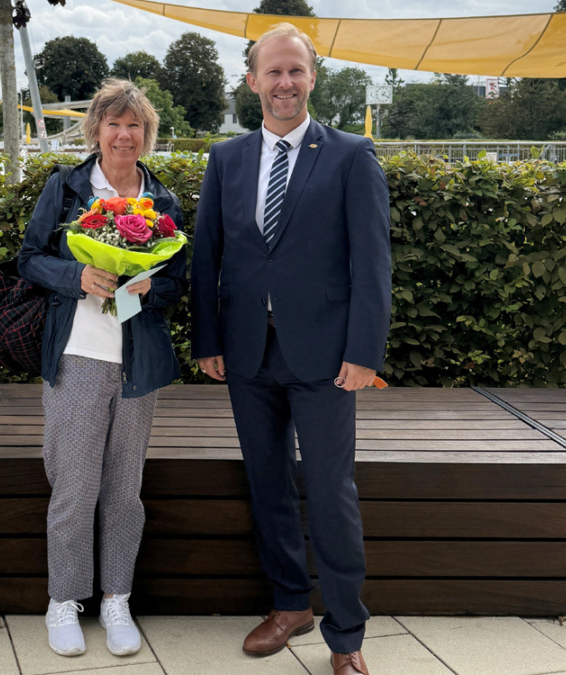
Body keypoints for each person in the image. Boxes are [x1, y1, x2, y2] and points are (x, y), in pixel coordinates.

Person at [190, 24, 392, 675]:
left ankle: (346, 637)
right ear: (252, 81)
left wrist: (365, 351)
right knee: (267, 483)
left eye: (295, 71)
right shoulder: (226, 158)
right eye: (273, 72)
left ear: (312, 77)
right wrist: (207, 338)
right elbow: (207, 256)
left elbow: (372, 264)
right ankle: (288, 604)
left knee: (331, 492)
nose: (285, 83)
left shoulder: (351, 155)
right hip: (247, 352)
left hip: (327, 358)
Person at [17, 78, 187, 659]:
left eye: (134, 124)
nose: (123, 134)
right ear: (96, 129)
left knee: (124, 490)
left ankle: (117, 597)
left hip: (135, 363)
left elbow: (178, 283)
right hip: (78, 356)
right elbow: (29, 258)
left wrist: (151, 287)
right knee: (74, 485)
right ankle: (63, 599)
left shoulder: (162, 201)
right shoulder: (67, 188)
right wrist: (77, 276)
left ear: (147, 134)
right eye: (114, 123)